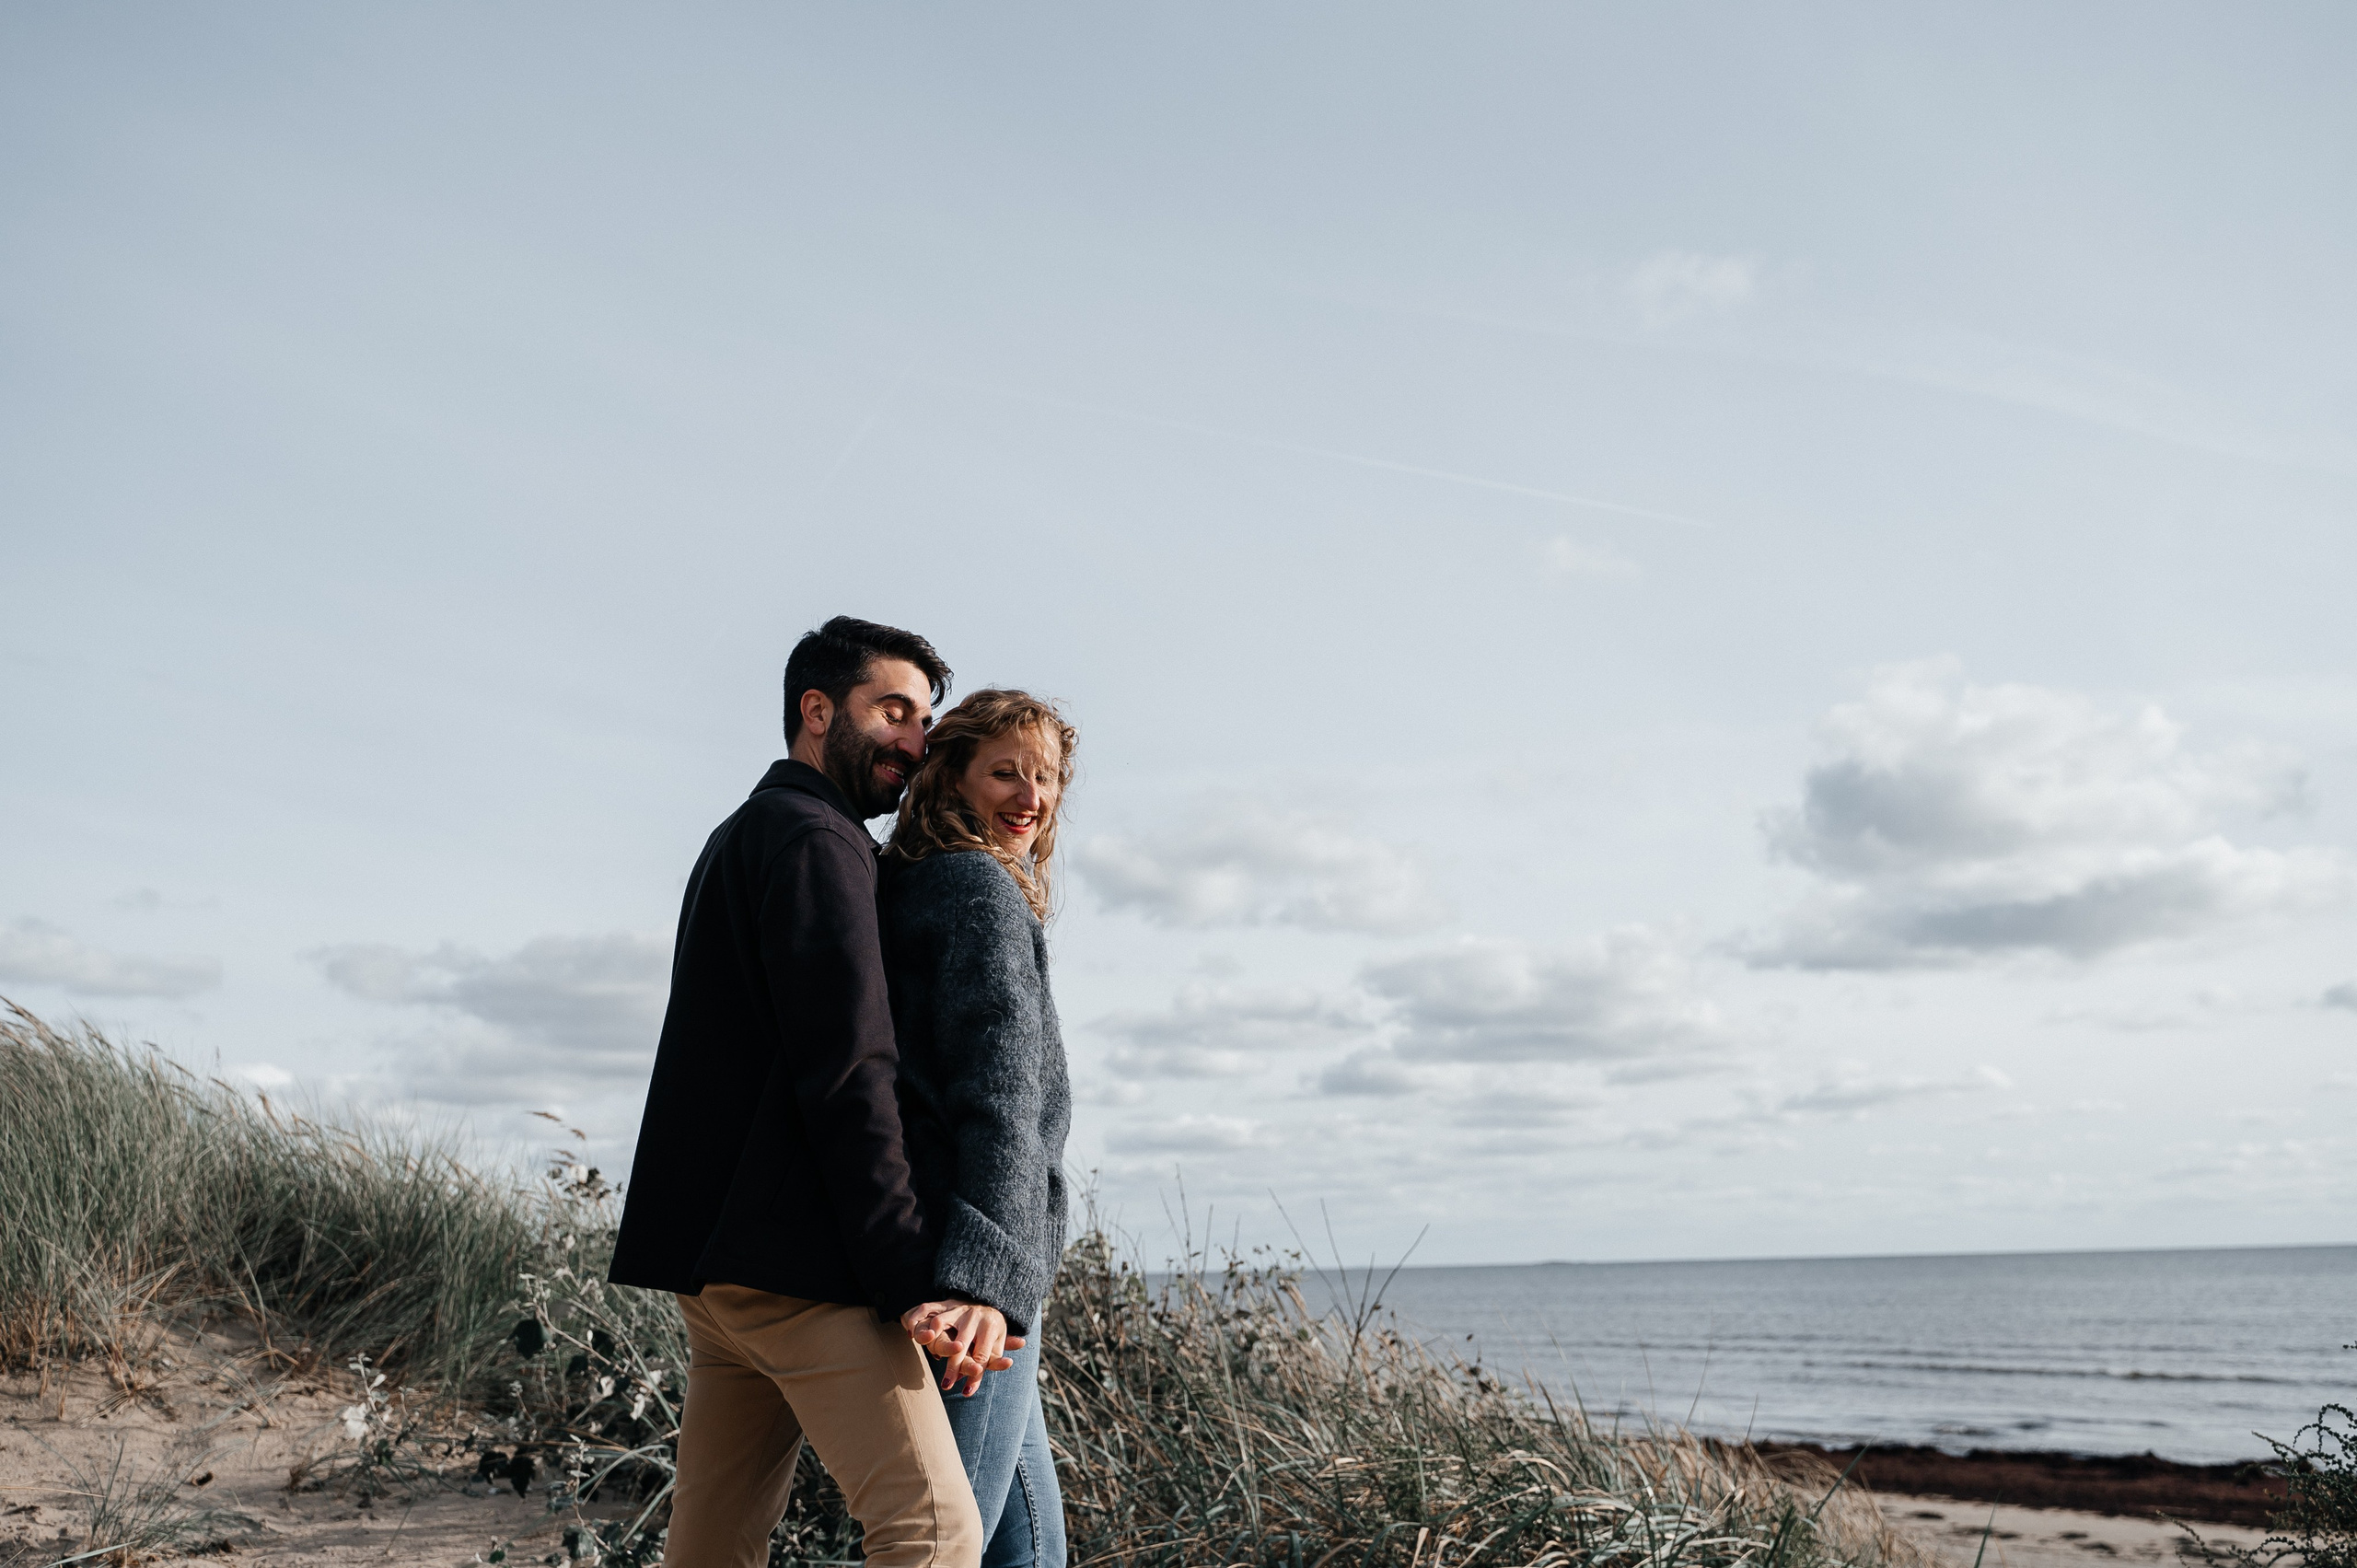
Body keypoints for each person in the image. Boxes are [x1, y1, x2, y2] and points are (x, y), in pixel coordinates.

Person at [609, 616, 1017, 1568]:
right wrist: (905, 1274)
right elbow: (849, 1072)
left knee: (713, 1546)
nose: (915, 742)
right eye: (893, 710)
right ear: (817, 708)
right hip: (797, 1275)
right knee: (934, 1529)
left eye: (924, 719)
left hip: (716, 1278)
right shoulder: (817, 840)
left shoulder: (739, 833)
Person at [881, 691, 1077, 1568]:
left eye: (1047, 779)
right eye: (1005, 771)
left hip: (963, 1252)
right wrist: (988, 1288)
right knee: (945, 1546)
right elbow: (1001, 1097)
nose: (1031, 797)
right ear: (950, 779)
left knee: (1028, 1542)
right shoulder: (975, 888)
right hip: (979, 1275)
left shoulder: (912, 888)